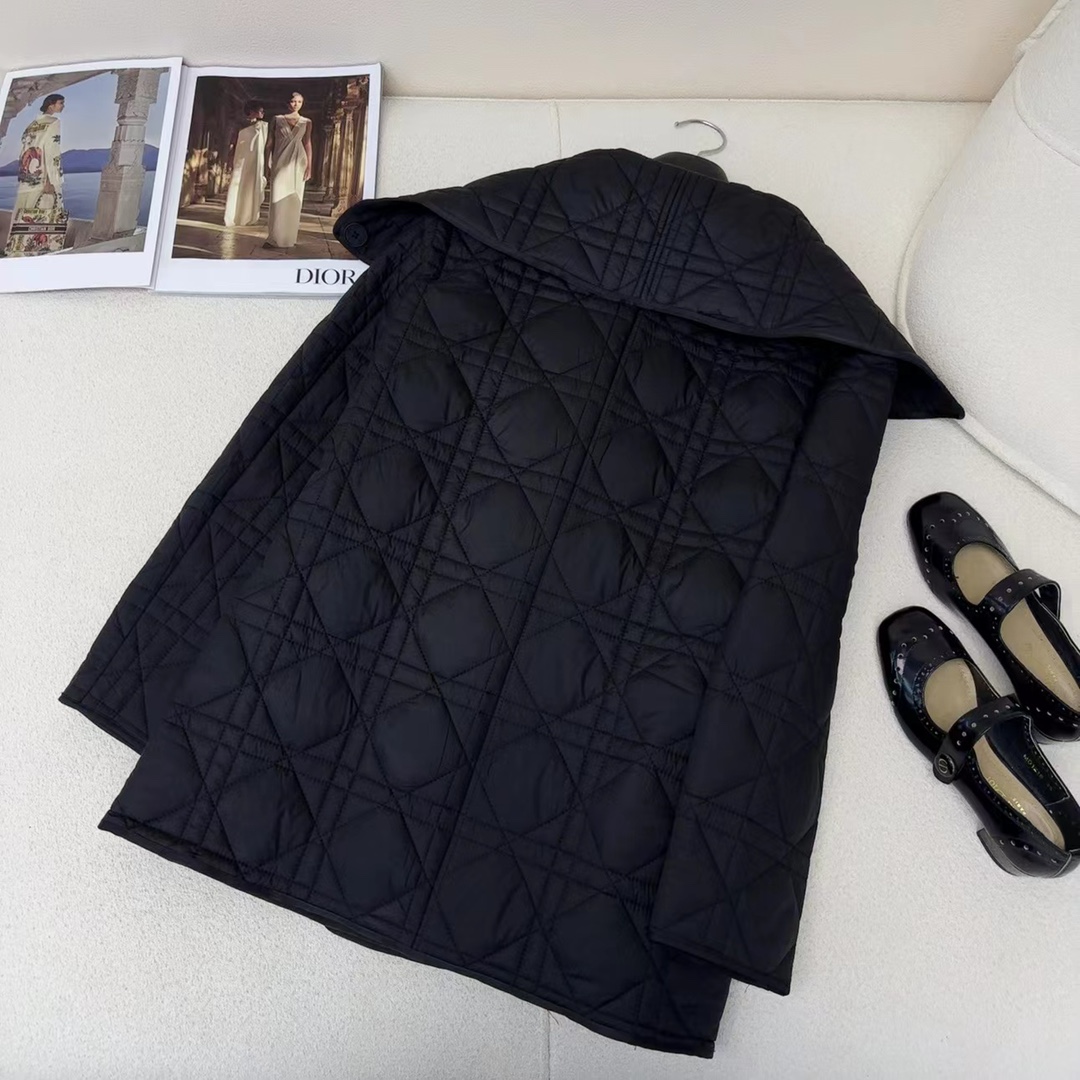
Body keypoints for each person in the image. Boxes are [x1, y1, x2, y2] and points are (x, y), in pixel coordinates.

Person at [3, 93, 66, 257]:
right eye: (60, 103)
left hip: (27, 179)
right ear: (51, 105)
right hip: (44, 179)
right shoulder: (53, 122)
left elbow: (24, 152)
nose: (63, 106)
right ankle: (41, 253)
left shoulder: (31, 125)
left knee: (22, 215)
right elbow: (51, 152)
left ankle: (16, 252)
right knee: (46, 214)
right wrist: (51, 180)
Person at [264, 91, 312, 250]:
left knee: (293, 199)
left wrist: (309, 165)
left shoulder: (307, 122)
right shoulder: (277, 119)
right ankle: (274, 238)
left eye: (299, 102)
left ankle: (289, 238)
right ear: (287, 103)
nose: (296, 104)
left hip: (298, 162)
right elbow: (269, 143)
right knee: (276, 198)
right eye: (293, 101)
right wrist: (266, 164)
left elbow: (307, 143)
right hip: (279, 161)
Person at [223, 101, 267, 228]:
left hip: (255, 160)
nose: (263, 113)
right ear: (252, 111)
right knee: (237, 183)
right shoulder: (240, 125)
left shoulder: (262, 126)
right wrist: (230, 157)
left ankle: (248, 215)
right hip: (241, 159)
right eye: (260, 111)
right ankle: (233, 215)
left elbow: (264, 145)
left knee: (251, 185)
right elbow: (233, 142)